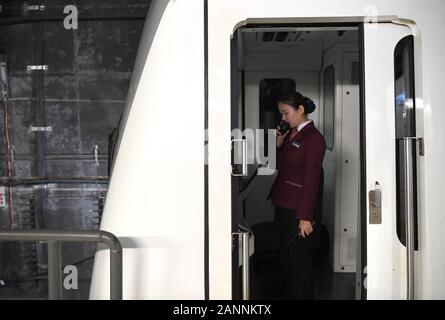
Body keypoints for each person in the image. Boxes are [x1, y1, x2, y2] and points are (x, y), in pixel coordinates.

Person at [268, 91, 326, 299]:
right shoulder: (292, 134)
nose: (283, 118)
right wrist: (279, 143)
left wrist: (305, 217)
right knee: (287, 261)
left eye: (286, 113)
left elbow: (312, 181)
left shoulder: (314, 138)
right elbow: (281, 166)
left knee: (300, 265)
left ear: (300, 110)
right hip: (283, 204)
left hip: (298, 210)